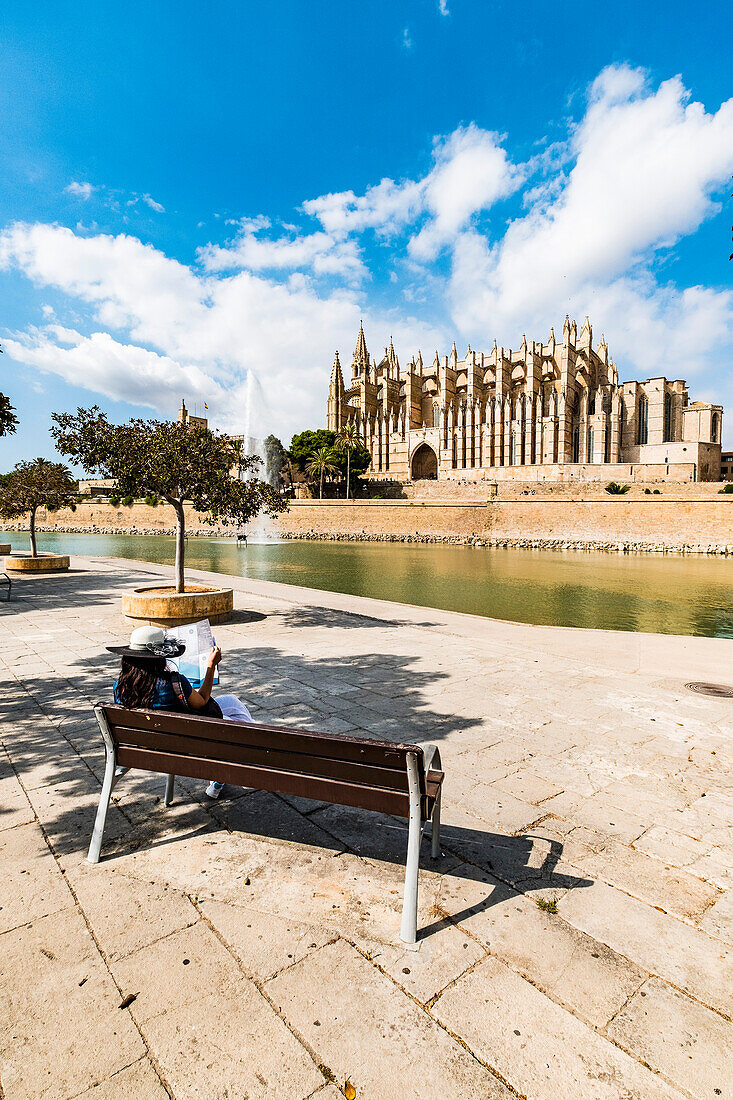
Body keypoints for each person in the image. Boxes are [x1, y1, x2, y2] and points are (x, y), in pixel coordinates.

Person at [107, 625, 253, 799]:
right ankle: (247, 763)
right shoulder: (173, 682)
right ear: (160, 658)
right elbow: (202, 701)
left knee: (231, 702)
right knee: (239, 724)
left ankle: (222, 776)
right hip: (188, 745)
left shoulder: (120, 687)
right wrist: (211, 666)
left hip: (147, 745)